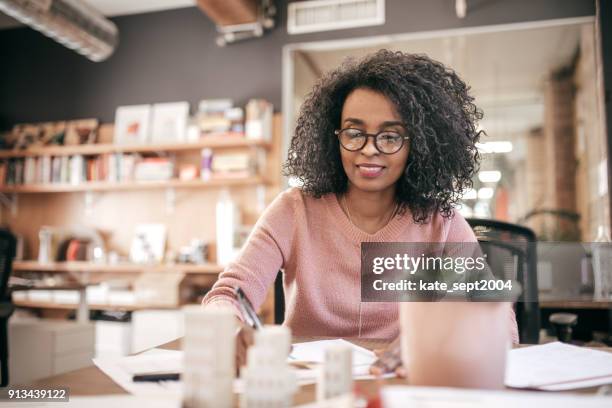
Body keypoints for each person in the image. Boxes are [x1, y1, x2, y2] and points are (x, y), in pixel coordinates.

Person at [202, 49, 519, 371]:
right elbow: (229, 292)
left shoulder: (442, 223)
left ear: (418, 144)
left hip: (397, 384)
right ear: (333, 136)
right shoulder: (293, 210)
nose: (369, 149)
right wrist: (229, 326)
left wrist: (440, 341)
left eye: (390, 136)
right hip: (306, 385)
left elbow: (499, 320)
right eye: (354, 133)